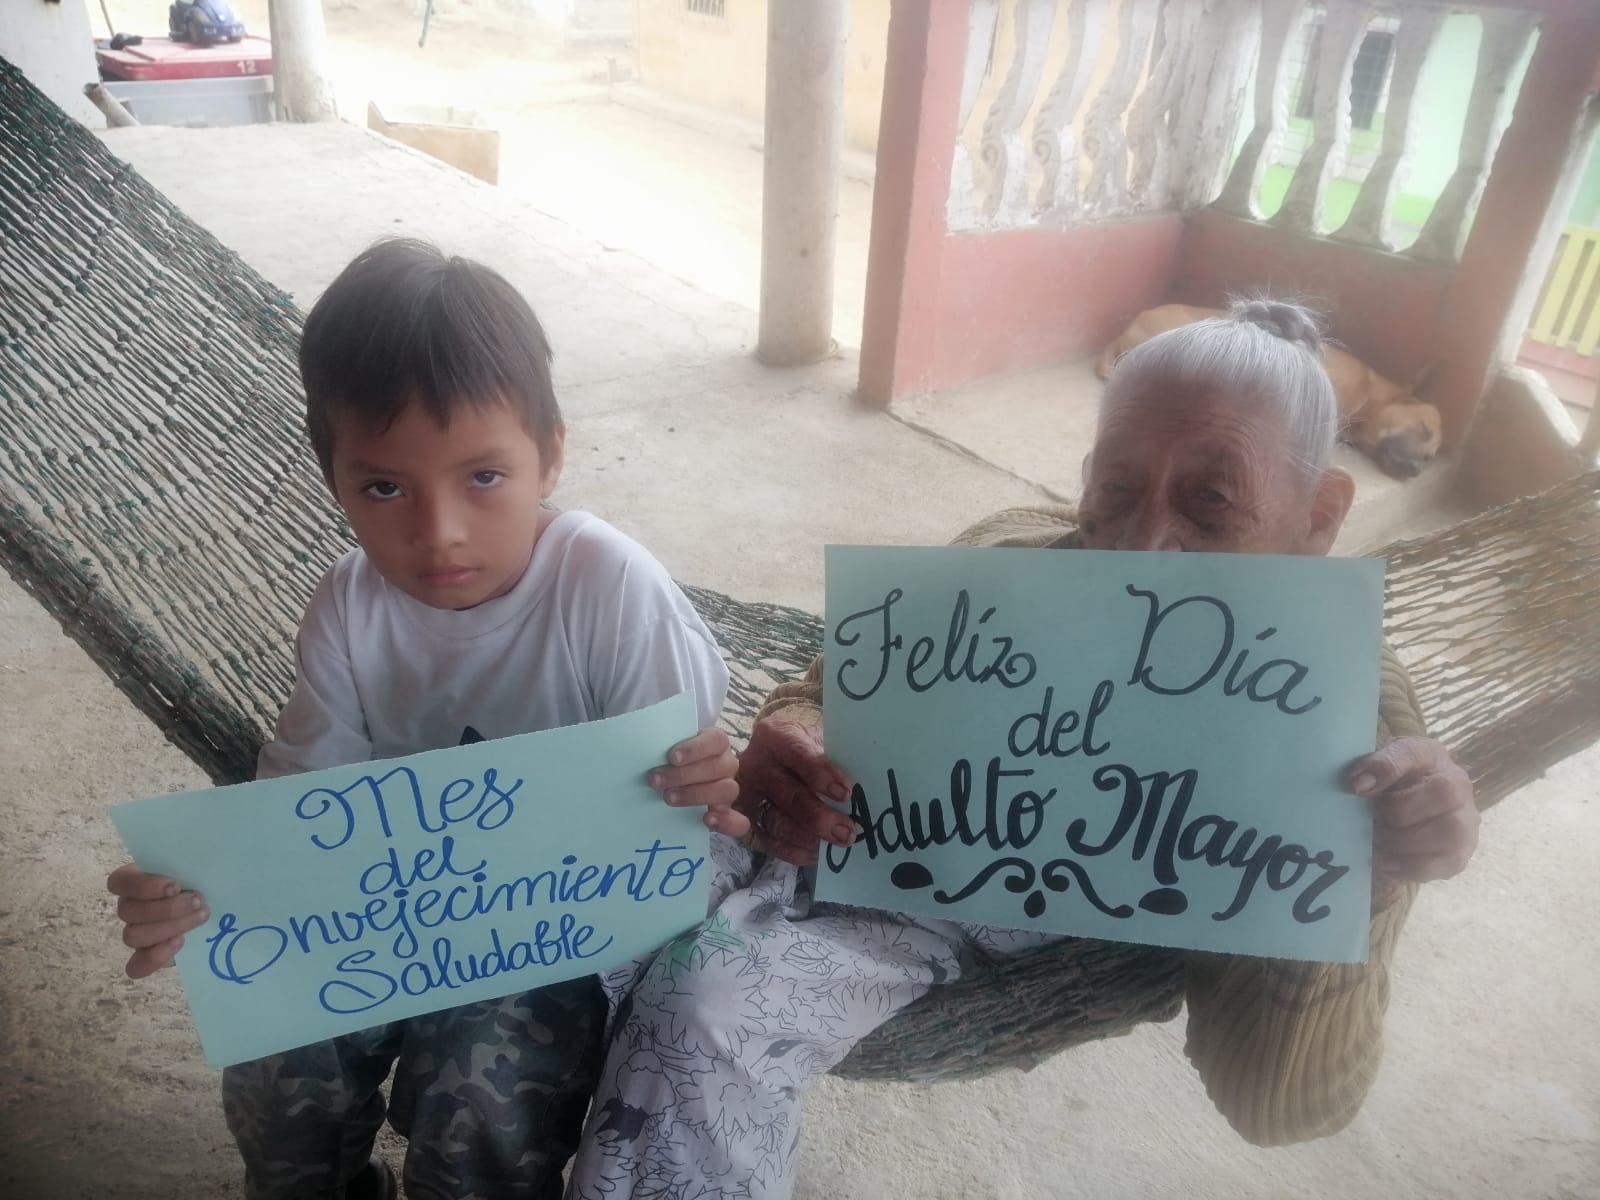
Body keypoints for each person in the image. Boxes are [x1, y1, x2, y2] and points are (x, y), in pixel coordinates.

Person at [565, 300, 1481, 1199]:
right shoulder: (1011, 557)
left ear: (1318, 517)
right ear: (1085, 480)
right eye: (1116, 489)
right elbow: (841, 676)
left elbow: (1279, 1104)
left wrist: (1359, 889)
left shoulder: (1343, 710)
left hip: (937, 913)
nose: (1142, 547)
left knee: (708, 1006)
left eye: (1212, 502)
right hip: (818, 831)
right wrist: (798, 722)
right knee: (577, 895)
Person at [106, 239, 745, 1200]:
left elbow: (677, 820)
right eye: (384, 487)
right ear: (334, 482)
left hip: (560, 928)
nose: (438, 531)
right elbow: (298, 811)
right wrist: (195, 890)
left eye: (483, 477)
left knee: (479, 1084)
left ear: (552, 454)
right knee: (279, 1049)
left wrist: (706, 787)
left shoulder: (610, 586)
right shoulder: (348, 606)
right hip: (385, 907)